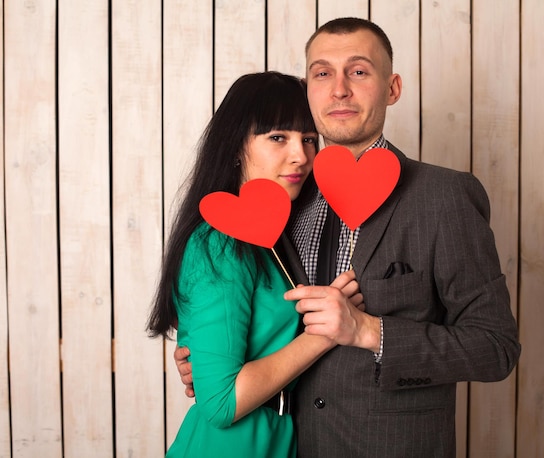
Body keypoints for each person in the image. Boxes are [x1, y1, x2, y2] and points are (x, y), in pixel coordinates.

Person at [175, 18, 521, 457]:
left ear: (392, 88)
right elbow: (249, 318)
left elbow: (496, 347)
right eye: (322, 73)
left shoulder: (444, 197)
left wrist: (369, 331)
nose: (339, 89)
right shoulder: (282, 195)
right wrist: (208, 364)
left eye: (358, 71)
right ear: (308, 89)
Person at [147, 71, 363, 457]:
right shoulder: (219, 244)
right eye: (278, 137)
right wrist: (326, 332)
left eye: (309, 139)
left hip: (280, 438)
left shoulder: (281, 233)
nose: (300, 155)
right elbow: (220, 403)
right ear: (235, 145)